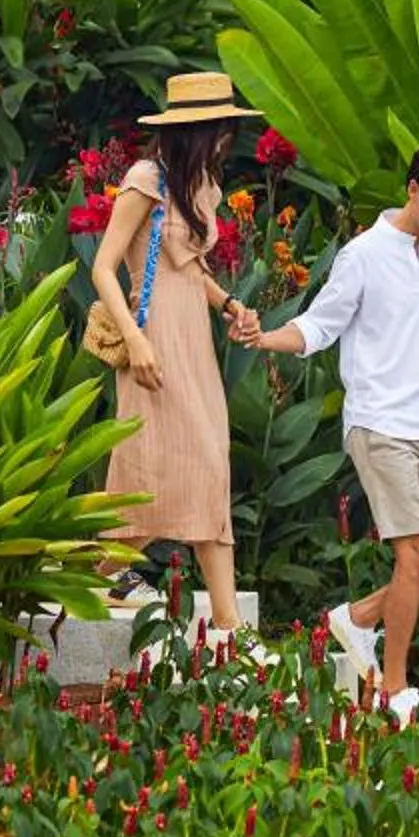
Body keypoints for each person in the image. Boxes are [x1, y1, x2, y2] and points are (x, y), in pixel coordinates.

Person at [249, 139, 419, 724]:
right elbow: (319, 327)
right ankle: (394, 689)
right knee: (412, 556)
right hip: (379, 424)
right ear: (413, 191)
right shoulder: (362, 256)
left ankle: (358, 618)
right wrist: (264, 339)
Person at [91, 71, 264, 651]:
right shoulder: (147, 179)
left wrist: (229, 304)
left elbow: (190, 266)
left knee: (208, 461)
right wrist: (136, 342)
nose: (225, 140)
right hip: (154, 335)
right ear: (196, 130)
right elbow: (104, 264)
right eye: (218, 129)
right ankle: (106, 573)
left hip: (191, 334)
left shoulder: (201, 185)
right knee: (151, 464)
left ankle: (224, 622)